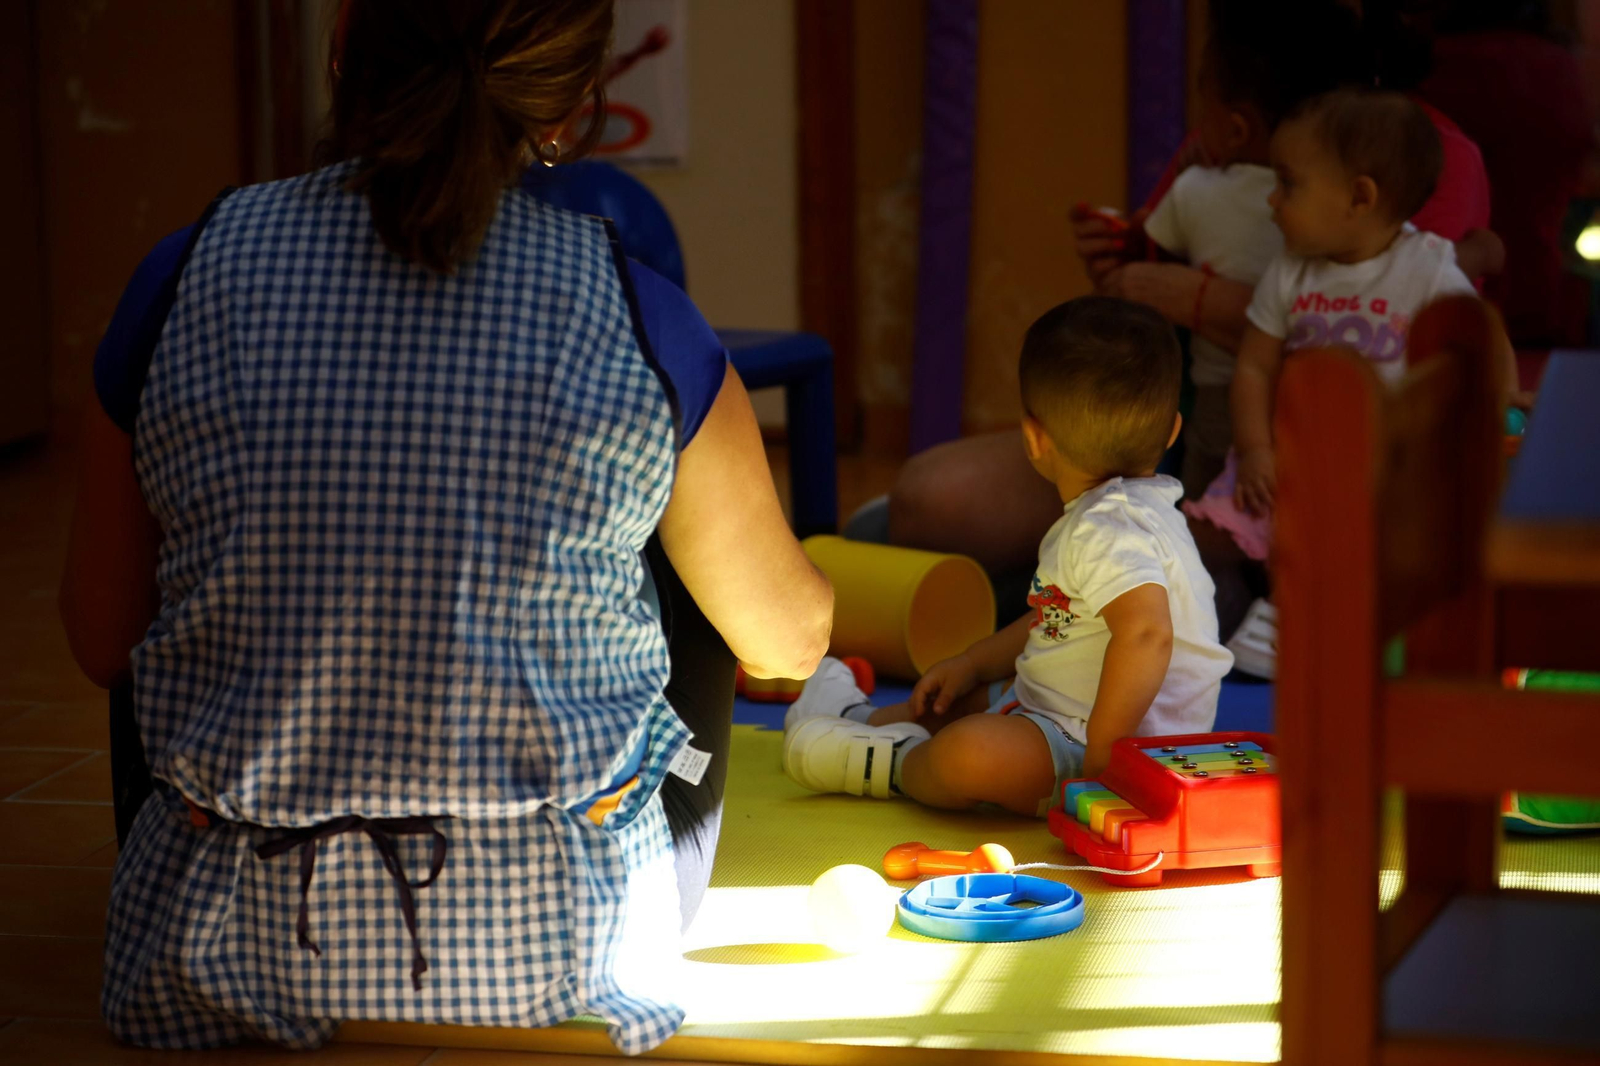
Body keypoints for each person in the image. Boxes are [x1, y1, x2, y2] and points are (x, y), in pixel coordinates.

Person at [57, 0, 831, 1053]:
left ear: (344, 48)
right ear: (572, 106)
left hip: (222, 937)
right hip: (565, 940)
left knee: (172, 587)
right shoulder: (639, 311)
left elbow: (102, 638)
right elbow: (785, 643)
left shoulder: (181, 277)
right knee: (685, 559)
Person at [886, 0, 1495, 595]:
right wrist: (1127, 266)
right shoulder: (1214, 157)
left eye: (1289, 184)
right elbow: (1150, 286)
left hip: (1331, 473)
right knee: (925, 502)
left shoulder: (1415, 154)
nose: (1274, 202)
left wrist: (1202, 300)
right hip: (1178, 438)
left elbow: (1399, 332)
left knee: (1220, 583)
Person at [782, 299, 1233, 817]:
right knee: (953, 698)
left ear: (1034, 438)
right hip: (1056, 714)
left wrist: (1106, 760)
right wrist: (973, 662)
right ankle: (859, 718)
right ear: (1172, 431)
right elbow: (1056, 615)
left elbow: (1148, 634)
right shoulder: (1145, 513)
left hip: (1098, 752)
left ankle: (890, 762)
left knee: (966, 754)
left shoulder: (1106, 529)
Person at [1185, 88, 1512, 675]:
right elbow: (1255, 366)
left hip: (1381, 475)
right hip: (1288, 466)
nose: (1271, 201)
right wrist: (1256, 449)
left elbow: (1482, 338)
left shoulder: (1426, 267)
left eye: (1288, 184)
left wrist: (1501, 402)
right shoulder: (1291, 271)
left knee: (1373, 543)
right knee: (1194, 538)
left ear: (1360, 198)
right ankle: (1202, 616)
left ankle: (1304, 619)